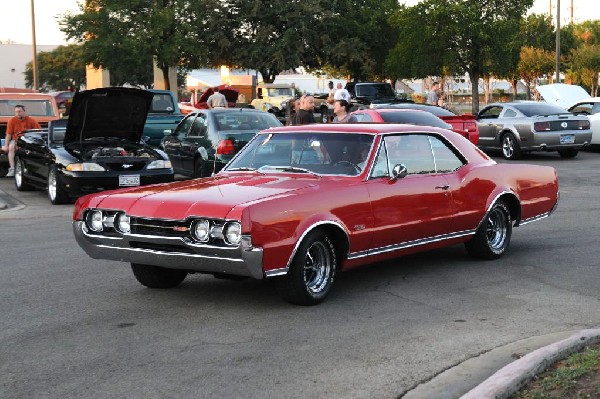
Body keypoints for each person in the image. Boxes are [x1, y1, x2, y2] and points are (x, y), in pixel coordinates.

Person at [2, 104, 41, 177]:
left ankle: (33, 169)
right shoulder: (11, 120)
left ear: (24, 112)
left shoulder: (31, 120)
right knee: (11, 147)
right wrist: (6, 146)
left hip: (28, 140)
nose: (18, 113)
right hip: (16, 140)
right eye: (16, 112)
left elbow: (38, 132)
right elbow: (9, 135)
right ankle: (12, 169)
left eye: (19, 111)